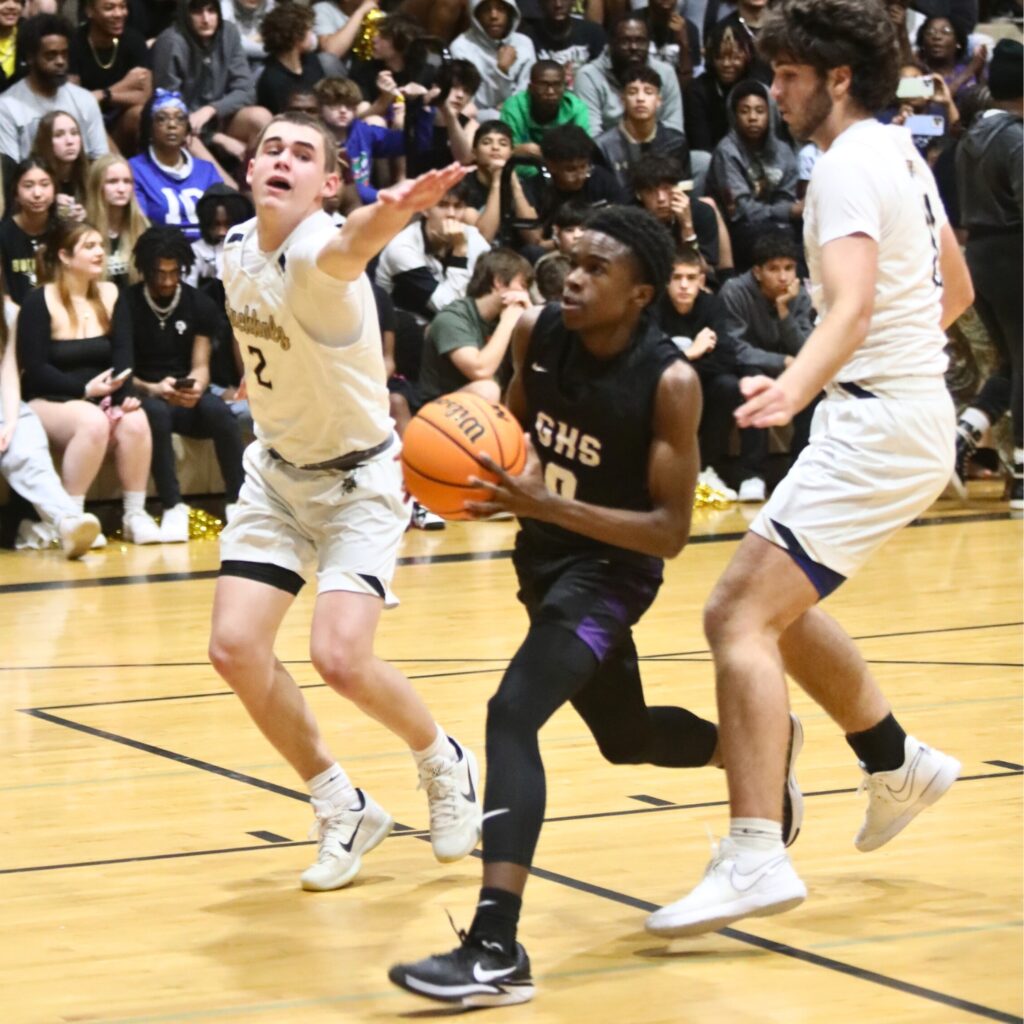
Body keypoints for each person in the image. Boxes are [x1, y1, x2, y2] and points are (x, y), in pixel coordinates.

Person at [388, 205, 803, 1007]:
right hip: (544, 562)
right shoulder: (542, 334)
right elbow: (518, 431)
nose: (571, 277)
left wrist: (541, 504)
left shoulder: (671, 382)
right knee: (626, 738)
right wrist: (491, 476)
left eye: (594, 269)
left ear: (642, 293)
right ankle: (758, 753)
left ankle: (495, 947)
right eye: (571, 261)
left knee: (511, 713)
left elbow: (670, 532)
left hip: (613, 575)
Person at [645, 0, 974, 940]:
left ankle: (755, 852)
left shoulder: (842, 167)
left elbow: (857, 304)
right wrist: (889, 374)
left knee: (733, 614)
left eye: (787, 75)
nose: (772, 89)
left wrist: (796, 383)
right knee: (776, 607)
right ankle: (895, 759)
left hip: (876, 423)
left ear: (836, 78)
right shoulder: (902, 152)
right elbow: (954, 289)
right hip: (900, 412)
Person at [208, 113, 482, 892]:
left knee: (339, 657)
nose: (282, 160)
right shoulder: (234, 249)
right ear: (250, 171)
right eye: (271, 150)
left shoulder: (321, 253)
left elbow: (353, 242)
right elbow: (253, 339)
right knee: (233, 649)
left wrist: (395, 208)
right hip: (277, 474)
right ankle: (341, 803)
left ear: (328, 181)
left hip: (357, 482)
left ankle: (442, 757)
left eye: (303, 154)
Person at [17, 221, 163, 545]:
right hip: (50, 399)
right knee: (93, 422)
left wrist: (125, 394)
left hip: (102, 396)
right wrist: (83, 391)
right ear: (65, 256)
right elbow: (36, 368)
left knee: (136, 421)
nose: (100, 252)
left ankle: (134, 515)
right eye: (90, 246)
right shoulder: (38, 300)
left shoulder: (112, 294)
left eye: (101, 245)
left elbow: (125, 353)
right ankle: (72, 519)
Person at [127, 225, 244, 541]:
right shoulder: (128, 303)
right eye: (158, 274)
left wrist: (195, 387)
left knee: (219, 411)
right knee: (157, 413)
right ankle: (172, 507)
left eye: (172, 272)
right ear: (145, 270)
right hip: (146, 392)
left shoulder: (199, 303)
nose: (166, 281)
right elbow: (124, 369)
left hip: (183, 394)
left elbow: (201, 365)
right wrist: (153, 388)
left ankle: (238, 502)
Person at [952, 38, 1022, 509]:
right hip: (1015, 255)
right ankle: (1021, 474)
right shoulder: (1017, 138)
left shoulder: (971, 135)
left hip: (978, 257)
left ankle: (958, 439)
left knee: (1011, 365)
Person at [0, 266, 103, 559]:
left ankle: (67, 523)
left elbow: (8, 374)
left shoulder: (10, 313)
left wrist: (9, 421)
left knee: (26, 443)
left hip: (4, 403)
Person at [717, 230, 816, 501]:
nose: (783, 277)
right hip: (747, 366)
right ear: (758, 272)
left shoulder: (799, 295)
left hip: (790, 366)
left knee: (816, 386)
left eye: (789, 268)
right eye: (774, 269)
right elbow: (735, 348)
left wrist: (784, 311)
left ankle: (800, 471)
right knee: (754, 382)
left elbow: (806, 348)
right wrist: (780, 361)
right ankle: (752, 474)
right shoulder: (735, 291)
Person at [151, 0, 272, 172]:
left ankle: (256, 183)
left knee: (260, 117)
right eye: (197, 12)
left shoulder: (228, 32)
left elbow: (246, 90)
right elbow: (169, 108)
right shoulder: (171, 42)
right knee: (183, 136)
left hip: (219, 118)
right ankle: (233, 192)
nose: (206, 19)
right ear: (185, 14)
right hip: (185, 127)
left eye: (211, 11)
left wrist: (211, 109)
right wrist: (216, 138)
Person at [706, 78, 801, 269]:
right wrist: (788, 212)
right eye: (744, 111)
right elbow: (741, 210)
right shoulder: (727, 151)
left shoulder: (784, 151)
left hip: (777, 225)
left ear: (771, 114)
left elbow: (786, 197)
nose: (752, 117)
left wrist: (787, 212)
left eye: (760, 111)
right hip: (738, 229)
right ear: (734, 116)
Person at [419, 248, 534, 404]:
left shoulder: (503, 318)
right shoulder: (452, 317)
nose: (525, 294)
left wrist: (531, 320)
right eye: (523, 285)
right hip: (438, 412)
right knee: (487, 390)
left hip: (488, 412)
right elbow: (480, 370)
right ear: (499, 281)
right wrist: (508, 322)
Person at [0, 14, 109, 164]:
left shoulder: (85, 100)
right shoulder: (7, 107)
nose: (60, 61)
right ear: (30, 57)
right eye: (51, 55)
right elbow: (9, 171)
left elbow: (101, 162)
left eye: (64, 54)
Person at [375, 180, 490, 319]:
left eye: (458, 206)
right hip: (407, 326)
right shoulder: (403, 248)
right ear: (425, 208)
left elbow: (495, 276)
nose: (451, 214)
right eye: (442, 205)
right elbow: (448, 308)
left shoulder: (470, 235)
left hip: (451, 323)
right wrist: (460, 253)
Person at [129, 90, 224, 240]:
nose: (172, 125)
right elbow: (138, 225)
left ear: (187, 128)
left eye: (180, 119)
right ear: (149, 127)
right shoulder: (135, 169)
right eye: (162, 119)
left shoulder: (207, 170)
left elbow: (225, 217)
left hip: (208, 252)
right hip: (160, 251)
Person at [574, 15, 684, 138]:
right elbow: (592, 135)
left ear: (649, 44)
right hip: (608, 153)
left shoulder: (665, 73)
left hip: (658, 152)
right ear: (610, 43)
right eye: (625, 41)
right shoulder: (589, 76)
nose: (634, 47)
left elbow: (674, 128)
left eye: (640, 41)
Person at [68, 0, 153, 154]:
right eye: (109, 8)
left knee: (139, 113)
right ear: (90, 11)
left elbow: (144, 97)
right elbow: (75, 105)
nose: (119, 14)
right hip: (86, 123)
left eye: (122, 6)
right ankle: (119, 170)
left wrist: (103, 95)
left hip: (119, 120)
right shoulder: (75, 43)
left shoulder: (134, 40)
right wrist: (125, 85)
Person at [596, 64, 690, 192]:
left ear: (658, 101)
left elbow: (683, 191)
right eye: (632, 92)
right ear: (622, 100)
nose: (640, 99)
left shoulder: (675, 142)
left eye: (648, 92)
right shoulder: (603, 146)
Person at [450, 0, 536, 122]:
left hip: (517, 118)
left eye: (500, 9)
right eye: (486, 10)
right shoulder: (461, 47)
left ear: (510, 12)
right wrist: (501, 71)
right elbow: (469, 102)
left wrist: (509, 107)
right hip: (475, 119)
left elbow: (526, 95)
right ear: (476, 15)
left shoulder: (524, 44)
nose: (494, 16)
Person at [684, 19, 755, 154]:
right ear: (711, 58)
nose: (727, 64)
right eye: (720, 57)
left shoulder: (755, 88)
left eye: (735, 58)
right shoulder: (697, 90)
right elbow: (700, 145)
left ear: (746, 57)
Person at [500, 59, 591, 158]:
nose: (551, 91)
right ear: (530, 88)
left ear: (565, 87)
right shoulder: (514, 107)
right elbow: (506, 153)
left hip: (565, 169)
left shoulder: (576, 109)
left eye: (557, 85)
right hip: (524, 170)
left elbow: (583, 151)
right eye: (543, 85)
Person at [84, 154, 150, 288]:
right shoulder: (83, 231)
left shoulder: (146, 229)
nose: (121, 189)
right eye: (112, 182)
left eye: (127, 181)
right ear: (97, 186)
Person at [0, 157, 56, 304]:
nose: (37, 193)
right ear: (16, 193)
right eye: (28, 185)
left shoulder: (63, 232)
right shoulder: (3, 234)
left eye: (45, 185)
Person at [256, 2, 323, 116]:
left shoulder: (311, 60)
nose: (313, 35)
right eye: (309, 30)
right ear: (296, 36)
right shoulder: (272, 78)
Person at [524, 0, 605, 90]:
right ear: (540, 3)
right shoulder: (527, 38)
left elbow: (603, 77)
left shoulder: (594, 33)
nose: (558, 4)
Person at [31, 110, 89, 224]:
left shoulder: (88, 174)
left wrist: (87, 217)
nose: (69, 141)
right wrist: (49, 204)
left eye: (74, 133)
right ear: (45, 141)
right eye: (59, 135)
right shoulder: (33, 175)